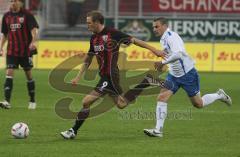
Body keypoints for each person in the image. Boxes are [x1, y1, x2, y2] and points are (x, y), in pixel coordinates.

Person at [60, 11, 164, 139]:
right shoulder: (93, 38)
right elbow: (88, 59)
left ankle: (73, 131)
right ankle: (146, 81)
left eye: (89, 23)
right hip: (104, 76)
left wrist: (155, 50)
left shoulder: (112, 33)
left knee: (86, 101)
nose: (87, 25)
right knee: (121, 104)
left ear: (97, 22)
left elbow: (134, 40)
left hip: (110, 75)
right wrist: (78, 76)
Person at [143, 17, 232, 137]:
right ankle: (158, 130)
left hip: (188, 75)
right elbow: (171, 54)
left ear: (164, 26)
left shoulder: (171, 36)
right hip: (173, 75)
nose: (154, 29)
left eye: (156, 26)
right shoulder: (163, 39)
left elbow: (179, 54)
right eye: (153, 27)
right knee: (161, 98)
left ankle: (220, 95)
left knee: (198, 104)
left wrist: (163, 63)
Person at [0, 0, 39, 109]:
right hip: (12, 50)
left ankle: (32, 100)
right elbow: (5, 34)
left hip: (26, 51)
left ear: (20, 3)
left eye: (15, 1)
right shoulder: (6, 16)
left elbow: (34, 30)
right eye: (11, 1)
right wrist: (1, 47)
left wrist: (33, 42)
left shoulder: (27, 15)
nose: (13, 3)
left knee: (28, 74)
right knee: (9, 72)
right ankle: (7, 101)